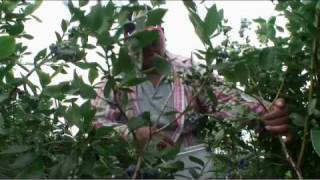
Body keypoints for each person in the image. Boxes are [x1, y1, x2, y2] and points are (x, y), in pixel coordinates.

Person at [91, 10, 291, 178]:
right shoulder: (113, 80)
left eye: (152, 35)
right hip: (138, 169)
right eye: (138, 38)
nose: (147, 44)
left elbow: (224, 99)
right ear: (126, 43)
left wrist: (265, 112)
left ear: (163, 33)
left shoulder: (188, 69)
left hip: (194, 166)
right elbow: (97, 126)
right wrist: (131, 134)